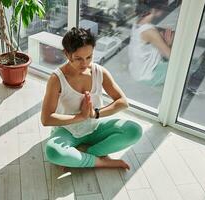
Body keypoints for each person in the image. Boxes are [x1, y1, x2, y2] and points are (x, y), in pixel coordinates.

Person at [41, 27, 142, 169]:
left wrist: (95, 114)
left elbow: (122, 102)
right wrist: (81, 116)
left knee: (134, 130)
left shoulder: (99, 72)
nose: (85, 64)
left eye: (89, 57)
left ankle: (87, 155)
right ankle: (101, 162)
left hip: (95, 127)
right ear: (66, 53)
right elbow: (46, 119)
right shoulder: (56, 79)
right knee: (53, 152)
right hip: (67, 130)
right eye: (78, 59)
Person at [128, 0, 174, 86]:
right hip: (147, 76)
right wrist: (168, 44)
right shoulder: (149, 31)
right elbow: (171, 56)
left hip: (136, 71)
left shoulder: (138, 22)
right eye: (164, 8)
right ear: (155, 10)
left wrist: (161, 42)